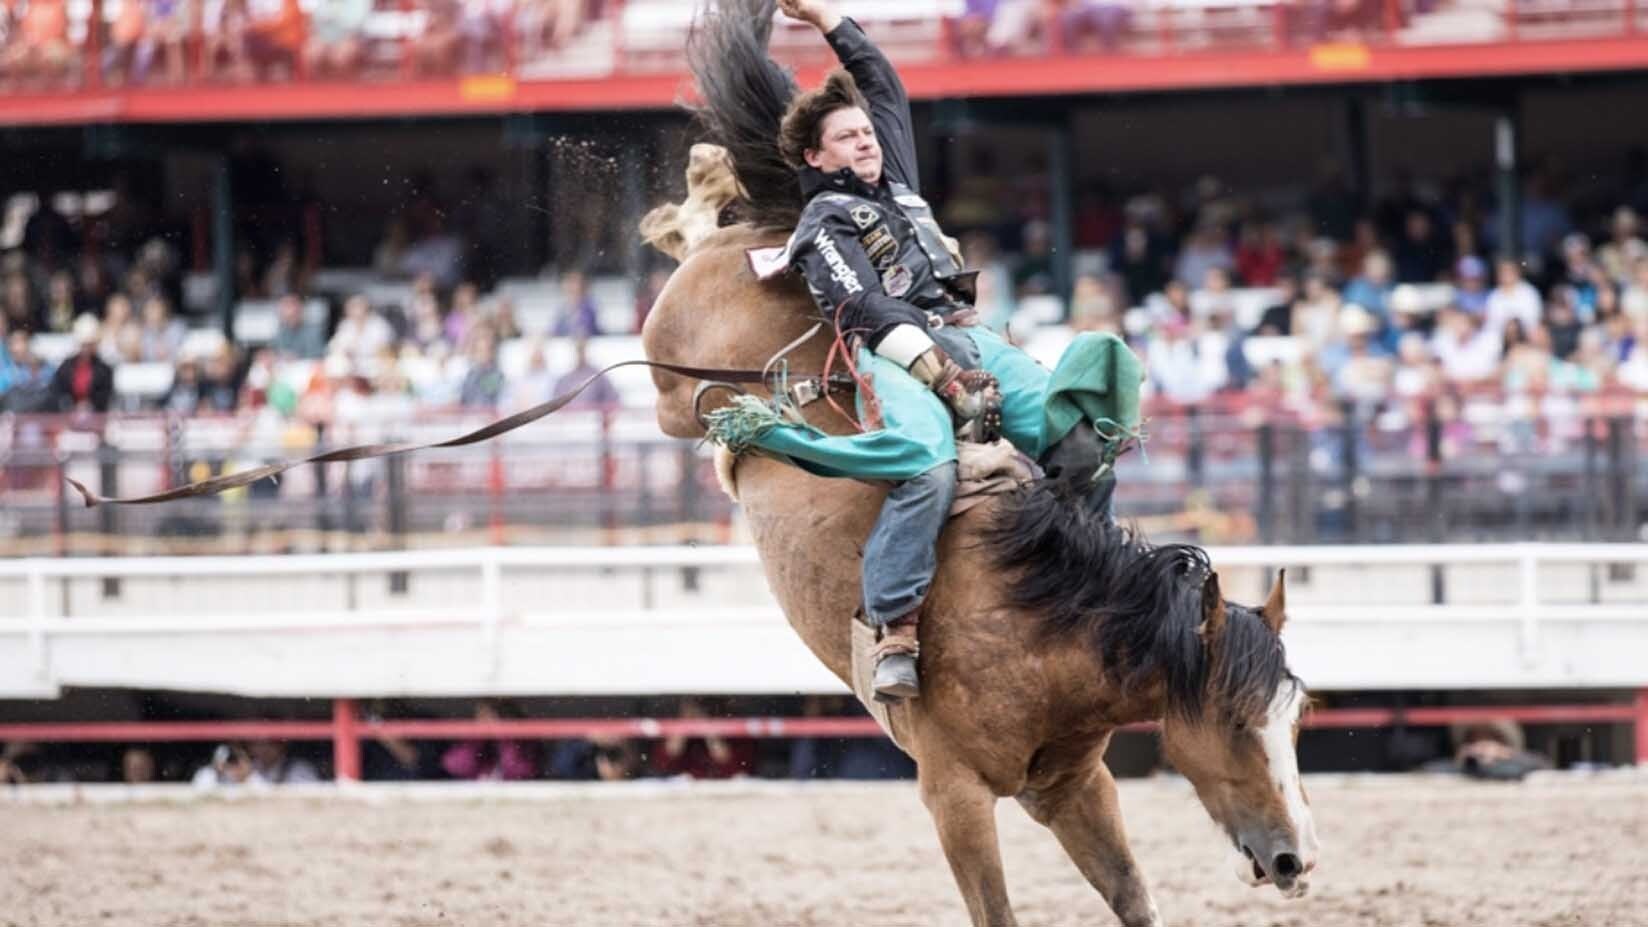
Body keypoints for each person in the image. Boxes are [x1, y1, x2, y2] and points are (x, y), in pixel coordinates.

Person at [773, 0, 1118, 702]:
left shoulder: (896, 181)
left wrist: (829, 20)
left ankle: (1081, 577)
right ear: (816, 157)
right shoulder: (822, 221)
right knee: (926, 468)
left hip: (969, 332)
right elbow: (862, 307)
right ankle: (895, 627)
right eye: (846, 137)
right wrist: (938, 370)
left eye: (866, 132)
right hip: (890, 352)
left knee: (1086, 439)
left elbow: (883, 84)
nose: (866, 141)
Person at [49, 314, 115, 414]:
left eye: (90, 344)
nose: (86, 349)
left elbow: (104, 396)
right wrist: (70, 406)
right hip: (68, 416)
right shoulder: (66, 367)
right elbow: (58, 392)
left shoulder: (104, 370)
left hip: (95, 417)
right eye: (84, 344)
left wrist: (90, 406)